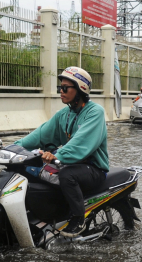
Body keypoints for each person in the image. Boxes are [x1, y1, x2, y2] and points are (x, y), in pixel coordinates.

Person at [14, 67, 108, 238]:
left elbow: (81, 142)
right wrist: (14, 147)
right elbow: (40, 135)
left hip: (92, 168)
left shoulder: (95, 112)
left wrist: (57, 154)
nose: (61, 91)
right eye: (60, 87)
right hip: (67, 163)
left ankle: (79, 218)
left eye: (65, 88)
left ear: (80, 89)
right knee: (28, 167)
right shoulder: (63, 114)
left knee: (67, 175)